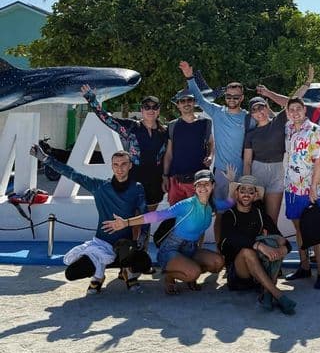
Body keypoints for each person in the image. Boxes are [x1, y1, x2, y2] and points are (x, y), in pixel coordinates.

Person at [257, 69, 320, 261]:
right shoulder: (314, 112)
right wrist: (268, 94)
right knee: (311, 217)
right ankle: (309, 254)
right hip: (308, 175)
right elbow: (291, 103)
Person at [30, 144, 151, 294]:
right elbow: (71, 173)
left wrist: (142, 237)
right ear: (111, 167)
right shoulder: (99, 186)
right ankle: (98, 276)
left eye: (124, 164)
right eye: (116, 165)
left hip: (126, 246)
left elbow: (145, 216)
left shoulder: (137, 188)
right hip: (102, 244)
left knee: (144, 262)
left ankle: (128, 272)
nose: (120, 168)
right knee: (72, 273)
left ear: (130, 165)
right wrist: (45, 159)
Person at [102, 169, 229, 295]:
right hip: (171, 249)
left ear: (213, 185)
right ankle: (170, 276)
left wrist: (232, 184)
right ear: (194, 187)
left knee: (218, 263)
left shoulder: (212, 204)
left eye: (206, 184)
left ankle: (188, 272)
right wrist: (126, 222)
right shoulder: (187, 205)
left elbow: (230, 203)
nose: (203, 188)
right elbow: (157, 215)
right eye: (199, 184)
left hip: (191, 249)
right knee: (193, 273)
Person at [80, 84, 168, 244]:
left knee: (146, 224)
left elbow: (170, 156)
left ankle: (140, 259)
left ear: (159, 110)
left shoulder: (164, 132)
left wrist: (166, 177)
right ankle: (126, 263)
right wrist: (91, 99)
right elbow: (107, 119)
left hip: (155, 184)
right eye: (147, 107)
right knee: (130, 223)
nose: (151, 110)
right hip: (133, 183)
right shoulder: (131, 127)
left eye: (155, 107)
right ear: (141, 110)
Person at [242, 70, 311, 225]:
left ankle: (271, 246)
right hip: (257, 171)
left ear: (266, 108)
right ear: (251, 114)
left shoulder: (279, 121)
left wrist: (307, 82)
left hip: (278, 171)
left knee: (271, 220)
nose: (259, 112)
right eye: (254, 110)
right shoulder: (250, 134)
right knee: (256, 218)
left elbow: (294, 101)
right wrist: (247, 182)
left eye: (261, 108)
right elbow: (247, 162)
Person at [219, 175, 295, 314]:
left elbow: (281, 239)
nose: (246, 194)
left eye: (250, 191)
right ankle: (277, 295)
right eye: (243, 190)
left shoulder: (260, 215)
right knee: (247, 252)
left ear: (255, 196)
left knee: (275, 243)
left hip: (258, 274)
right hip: (238, 275)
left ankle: (266, 293)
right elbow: (230, 239)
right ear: (237, 193)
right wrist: (259, 245)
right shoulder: (229, 215)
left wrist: (284, 249)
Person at [178, 61, 251, 200]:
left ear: (242, 98)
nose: (232, 99)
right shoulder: (217, 112)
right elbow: (199, 98)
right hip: (219, 173)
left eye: (236, 97)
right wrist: (189, 77)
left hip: (241, 172)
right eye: (228, 96)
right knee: (220, 213)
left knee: (238, 211)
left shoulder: (248, 117)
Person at [282, 97, 320, 289]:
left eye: (298, 109)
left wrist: (313, 187)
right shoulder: (288, 128)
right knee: (299, 229)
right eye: (291, 109)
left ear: (305, 110)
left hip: (310, 190)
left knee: (314, 230)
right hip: (291, 188)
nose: (295, 112)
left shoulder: (315, 131)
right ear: (288, 112)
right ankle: (304, 267)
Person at [162, 87, 214, 206]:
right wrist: (165, 176)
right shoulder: (172, 125)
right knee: (176, 215)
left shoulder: (205, 123)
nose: (186, 103)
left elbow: (211, 143)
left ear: (194, 102)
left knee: (197, 215)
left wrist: (210, 156)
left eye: (189, 100)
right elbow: (169, 153)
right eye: (182, 101)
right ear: (178, 105)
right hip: (176, 179)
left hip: (199, 180)